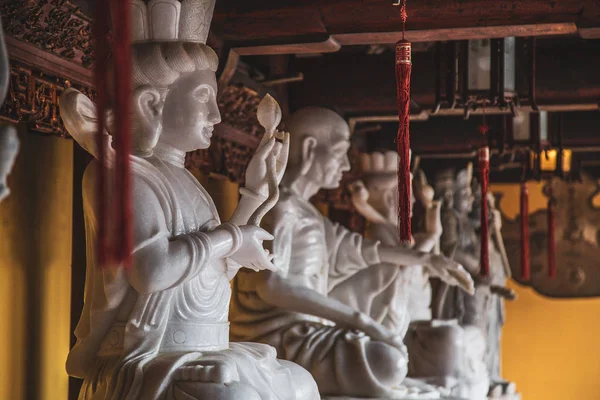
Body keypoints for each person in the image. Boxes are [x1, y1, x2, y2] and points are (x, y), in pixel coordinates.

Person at [60, 1, 319, 399]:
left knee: (300, 383)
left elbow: (212, 273)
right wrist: (233, 239)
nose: (216, 116)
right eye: (203, 97)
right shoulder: (120, 173)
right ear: (151, 104)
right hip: (146, 355)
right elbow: (152, 272)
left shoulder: (189, 181)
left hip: (203, 349)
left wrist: (255, 192)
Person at [230, 107, 473, 398]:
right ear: (309, 149)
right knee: (389, 362)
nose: (346, 166)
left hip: (311, 331)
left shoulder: (310, 215)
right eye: (341, 152)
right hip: (282, 336)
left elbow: (365, 252)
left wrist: (427, 259)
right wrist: (360, 321)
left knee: (387, 282)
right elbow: (272, 285)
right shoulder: (280, 209)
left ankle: (396, 382)